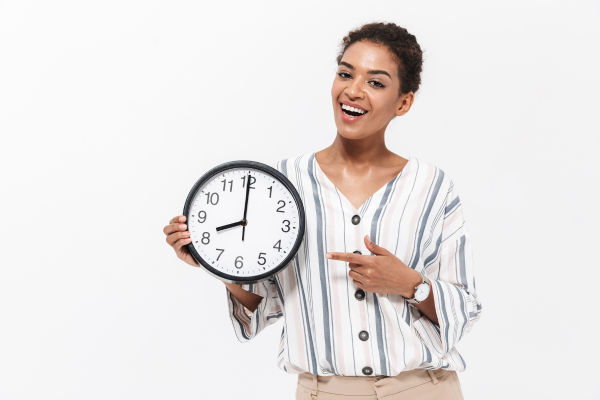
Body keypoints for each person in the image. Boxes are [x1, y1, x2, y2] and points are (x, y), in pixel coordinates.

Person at [163, 22, 481, 400]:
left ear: (403, 102)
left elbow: (464, 308)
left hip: (422, 390)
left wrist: (410, 284)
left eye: (375, 82)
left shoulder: (431, 186)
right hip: (323, 392)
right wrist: (216, 262)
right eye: (346, 73)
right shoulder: (281, 183)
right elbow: (264, 303)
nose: (353, 90)